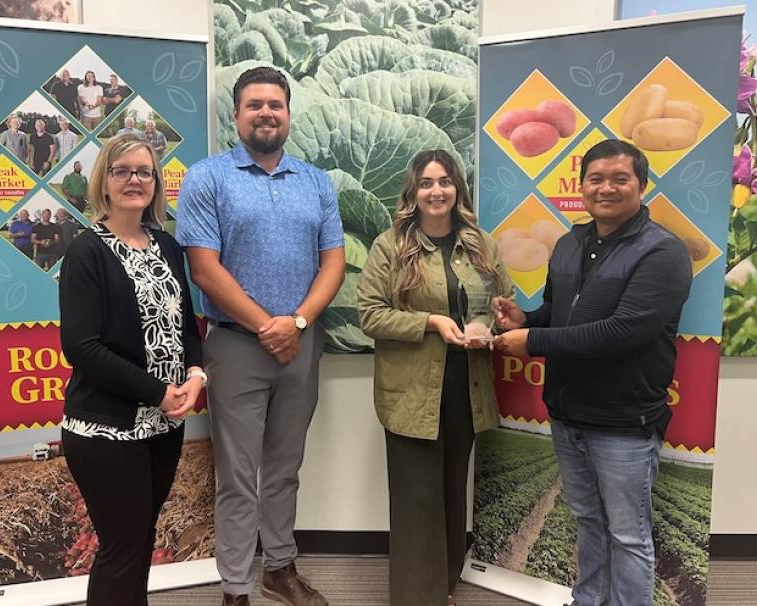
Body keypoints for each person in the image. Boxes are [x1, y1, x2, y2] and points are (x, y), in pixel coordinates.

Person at [492, 139, 692, 606]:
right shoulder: (568, 243)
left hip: (625, 423)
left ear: (641, 186)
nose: (606, 188)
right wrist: (525, 320)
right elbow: (557, 312)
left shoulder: (662, 252)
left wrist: (533, 342)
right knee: (588, 522)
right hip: (567, 414)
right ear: (581, 186)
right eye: (595, 179)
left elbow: (621, 332)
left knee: (628, 535)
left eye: (619, 179)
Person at [176, 66, 345, 606]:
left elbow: (334, 263)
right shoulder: (207, 178)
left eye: (275, 104)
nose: (266, 113)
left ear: (289, 113)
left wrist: (294, 324)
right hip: (233, 347)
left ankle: (279, 568)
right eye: (255, 105)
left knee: (284, 467)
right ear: (237, 115)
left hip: (300, 345)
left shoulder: (316, 182)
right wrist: (266, 326)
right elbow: (204, 268)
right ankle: (234, 589)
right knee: (236, 475)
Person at [357, 149, 513, 606]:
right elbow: (370, 315)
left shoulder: (482, 244)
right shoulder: (391, 245)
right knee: (415, 495)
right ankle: (414, 597)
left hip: (468, 386)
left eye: (445, 181)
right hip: (411, 391)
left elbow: (504, 301)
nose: (436, 190)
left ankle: (442, 584)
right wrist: (431, 323)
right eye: (426, 182)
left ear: (457, 189)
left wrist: (495, 324)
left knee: (450, 489)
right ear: (413, 191)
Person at [59, 134, 204, 606]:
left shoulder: (167, 245)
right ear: (104, 181)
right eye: (122, 171)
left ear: (157, 183)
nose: (134, 180)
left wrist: (197, 376)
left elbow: (185, 326)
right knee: (122, 547)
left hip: (164, 426)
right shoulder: (86, 251)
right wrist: (158, 391)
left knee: (140, 540)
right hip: (106, 428)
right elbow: (81, 347)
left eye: (144, 171)